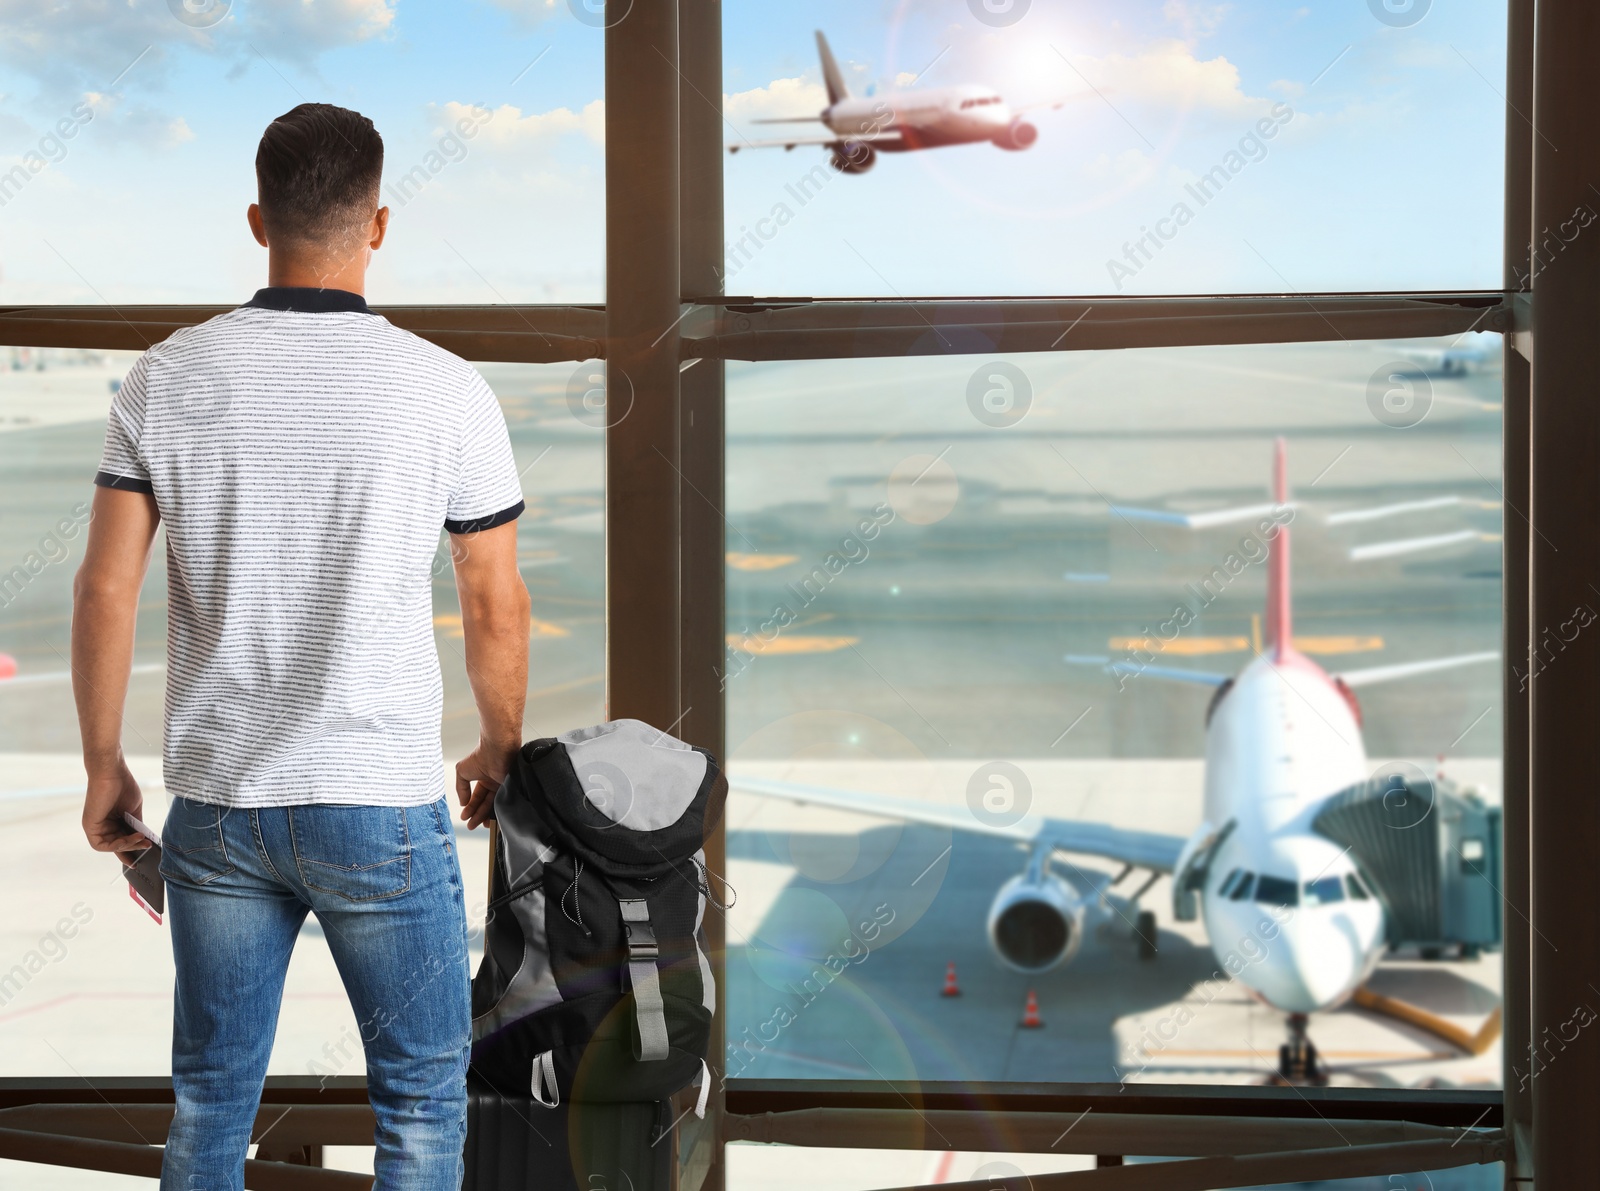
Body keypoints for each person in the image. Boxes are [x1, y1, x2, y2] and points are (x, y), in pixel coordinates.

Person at [70, 102, 531, 1189]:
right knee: (420, 1102)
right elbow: (493, 596)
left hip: (222, 806)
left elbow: (105, 586)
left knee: (210, 1105)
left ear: (255, 219)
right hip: (378, 800)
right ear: (378, 226)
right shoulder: (445, 386)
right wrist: (496, 747)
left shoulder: (165, 376)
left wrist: (103, 765)